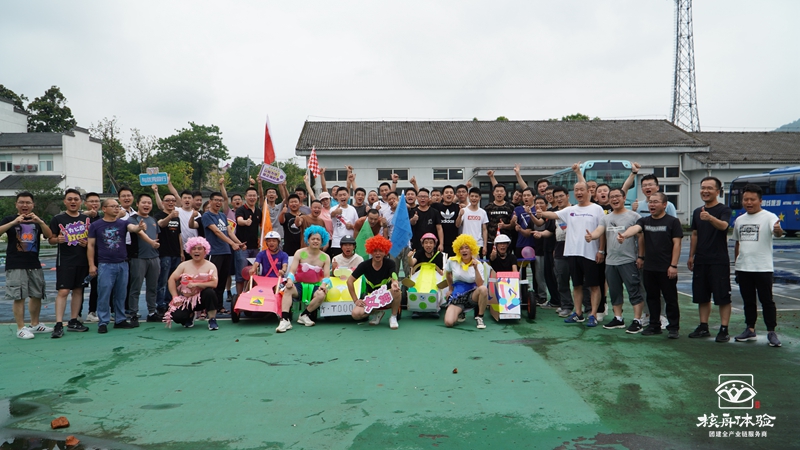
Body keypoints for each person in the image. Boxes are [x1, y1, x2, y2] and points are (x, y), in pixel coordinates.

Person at [536, 182, 605, 327]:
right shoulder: (570, 210)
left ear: (588, 191)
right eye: (576, 190)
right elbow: (553, 214)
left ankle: (593, 314)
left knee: (593, 286)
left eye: (581, 189)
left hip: (590, 253)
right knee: (577, 285)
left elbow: (601, 229)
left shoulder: (597, 209)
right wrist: (541, 213)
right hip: (573, 253)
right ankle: (578, 313)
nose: (579, 192)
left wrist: (600, 249)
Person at [618, 192, 683, 338]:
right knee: (652, 298)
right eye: (650, 202)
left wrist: (673, 265)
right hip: (649, 267)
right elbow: (636, 228)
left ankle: (673, 328)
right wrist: (625, 235)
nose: (651, 205)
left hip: (666, 267)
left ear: (664, 205)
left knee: (670, 298)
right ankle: (654, 325)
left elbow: (677, 244)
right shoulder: (645, 221)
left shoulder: (672, 222)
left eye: (655, 202)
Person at [585, 188, 645, 333]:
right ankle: (618, 318)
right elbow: (599, 231)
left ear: (624, 198)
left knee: (634, 290)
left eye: (617, 196)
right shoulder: (606, 218)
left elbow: (641, 237)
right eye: (611, 197)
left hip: (628, 260)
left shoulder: (634, 216)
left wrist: (640, 256)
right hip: (611, 262)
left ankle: (637, 320)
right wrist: (592, 236)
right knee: (614, 291)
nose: (614, 199)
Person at [731, 184, 783, 347]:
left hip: (763, 268)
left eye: (752, 199)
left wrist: (778, 230)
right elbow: (737, 243)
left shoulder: (769, 217)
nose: (748, 202)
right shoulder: (739, 220)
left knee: (767, 301)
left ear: (760, 201)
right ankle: (750, 329)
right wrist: (737, 265)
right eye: (745, 199)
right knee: (748, 301)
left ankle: (771, 332)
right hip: (743, 268)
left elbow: (777, 232)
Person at [88, 198, 146, 333]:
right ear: (104, 209)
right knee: (104, 293)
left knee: (121, 293)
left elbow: (133, 228)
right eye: (113, 206)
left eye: (117, 206)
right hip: (105, 264)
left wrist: (139, 227)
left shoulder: (123, 223)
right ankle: (103, 321)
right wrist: (91, 264)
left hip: (122, 263)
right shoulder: (96, 225)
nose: (116, 208)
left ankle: (120, 319)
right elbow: (90, 246)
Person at [2, 192, 54, 339]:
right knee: (19, 296)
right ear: (16, 204)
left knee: (37, 294)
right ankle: (20, 328)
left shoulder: (37, 220)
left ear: (33, 205)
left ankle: (35, 324)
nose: (24, 205)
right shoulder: (9, 219)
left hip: (34, 263)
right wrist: (13, 223)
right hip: (15, 263)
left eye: (28, 203)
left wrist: (40, 222)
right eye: (21, 202)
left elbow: (49, 235)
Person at [687, 177, 733, 342]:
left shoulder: (724, 210)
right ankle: (703, 326)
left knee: (722, 296)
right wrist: (691, 256)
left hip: (718, 260)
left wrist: (710, 218)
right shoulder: (697, 212)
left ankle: (724, 329)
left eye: (709, 188)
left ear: (718, 191)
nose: (705, 191)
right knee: (702, 296)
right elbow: (695, 234)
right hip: (701, 260)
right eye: (703, 188)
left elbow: (724, 226)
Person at [48, 189, 91, 336]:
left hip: (83, 261)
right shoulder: (58, 219)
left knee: (78, 290)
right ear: (65, 201)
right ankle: (59, 324)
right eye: (70, 199)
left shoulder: (86, 219)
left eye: (76, 199)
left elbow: (92, 240)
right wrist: (57, 240)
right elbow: (51, 239)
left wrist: (87, 243)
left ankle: (74, 320)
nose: (73, 202)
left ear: (81, 202)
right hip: (65, 261)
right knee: (64, 291)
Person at [163, 237, 220, 330]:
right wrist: (175, 297)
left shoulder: (210, 266)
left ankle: (212, 319)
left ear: (205, 251)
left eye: (199, 248)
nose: (196, 251)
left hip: (203, 298)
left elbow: (214, 283)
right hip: (186, 299)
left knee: (210, 293)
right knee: (177, 317)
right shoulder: (183, 265)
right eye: (193, 249)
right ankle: (190, 315)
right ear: (189, 251)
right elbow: (171, 279)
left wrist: (197, 284)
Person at [203, 191, 246, 313]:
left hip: (226, 251)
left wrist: (239, 243)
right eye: (216, 200)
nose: (218, 203)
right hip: (214, 252)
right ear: (210, 201)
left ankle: (219, 306)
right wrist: (232, 244)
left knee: (222, 280)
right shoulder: (207, 216)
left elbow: (229, 232)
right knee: (212, 281)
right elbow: (217, 232)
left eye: (220, 201)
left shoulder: (222, 215)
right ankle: (209, 307)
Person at [281, 225, 331, 328]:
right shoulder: (299, 253)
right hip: (299, 285)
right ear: (308, 240)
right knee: (287, 289)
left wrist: (323, 285)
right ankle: (284, 320)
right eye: (313, 239)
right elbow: (292, 271)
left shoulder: (325, 257)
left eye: (318, 239)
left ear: (322, 241)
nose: (315, 241)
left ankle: (304, 315)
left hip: (315, 286)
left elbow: (327, 276)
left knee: (321, 294)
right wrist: (289, 281)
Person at [348, 235, 402, 329]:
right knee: (356, 314)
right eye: (375, 251)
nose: (377, 253)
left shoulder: (390, 263)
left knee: (397, 291)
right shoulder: (364, 265)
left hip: (386, 298)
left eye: (380, 250)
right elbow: (349, 281)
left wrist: (395, 283)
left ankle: (393, 317)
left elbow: (393, 275)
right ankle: (377, 313)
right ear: (370, 251)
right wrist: (356, 300)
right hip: (371, 299)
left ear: (385, 252)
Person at [127, 193, 162, 325]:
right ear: (137, 204)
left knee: (153, 287)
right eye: (143, 202)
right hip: (138, 258)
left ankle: (152, 312)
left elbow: (156, 236)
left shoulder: (153, 220)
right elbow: (139, 232)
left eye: (149, 203)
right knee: (136, 288)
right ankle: (133, 314)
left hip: (154, 257)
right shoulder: (133, 219)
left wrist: (154, 245)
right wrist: (150, 241)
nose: (146, 205)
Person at [443, 234, 489, 329]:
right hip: (458, 296)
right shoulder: (452, 261)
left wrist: (476, 268)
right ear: (458, 250)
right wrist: (450, 289)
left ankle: (480, 317)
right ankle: (460, 312)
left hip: (472, 295)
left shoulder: (478, 264)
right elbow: (448, 274)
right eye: (461, 248)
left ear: (472, 250)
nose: (464, 250)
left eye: (467, 248)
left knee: (483, 289)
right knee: (448, 322)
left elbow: (480, 284)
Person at [154, 191, 183, 316]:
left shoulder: (177, 217)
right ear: (163, 202)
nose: (171, 202)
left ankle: (169, 302)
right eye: (168, 200)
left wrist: (181, 252)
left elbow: (179, 235)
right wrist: (170, 216)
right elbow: (161, 224)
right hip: (164, 253)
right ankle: (160, 305)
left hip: (176, 253)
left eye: (173, 200)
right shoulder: (159, 215)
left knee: (174, 280)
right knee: (163, 280)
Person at [407, 232, 445, 318]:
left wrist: (441, 272)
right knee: (415, 286)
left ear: (434, 244)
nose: (428, 245)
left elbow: (440, 270)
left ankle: (434, 308)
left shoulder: (439, 255)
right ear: (422, 244)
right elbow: (412, 264)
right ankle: (416, 308)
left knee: (436, 287)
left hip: (433, 277)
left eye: (431, 243)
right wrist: (409, 258)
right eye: (426, 243)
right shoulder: (419, 253)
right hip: (420, 276)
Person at [234, 187, 263, 297]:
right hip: (243, 247)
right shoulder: (241, 210)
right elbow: (239, 221)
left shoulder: (259, 211)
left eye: (254, 195)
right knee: (241, 274)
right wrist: (246, 222)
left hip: (255, 248)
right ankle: (239, 297)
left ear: (257, 197)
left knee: (253, 274)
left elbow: (262, 226)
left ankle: (250, 296)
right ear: (245, 197)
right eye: (250, 195)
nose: (252, 198)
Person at [83, 191, 103, 323]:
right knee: (79, 287)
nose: (94, 204)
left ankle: (92, 311)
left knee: (97, 286)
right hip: (80, 257)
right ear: (85, 203)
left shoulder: (102, 218)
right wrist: (85, 214)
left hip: (97, 256)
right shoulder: (80, 217)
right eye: (91, 201)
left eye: (97, 201)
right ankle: (77, 314)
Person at [483, 178, 516, 255]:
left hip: (506, 241)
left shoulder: (511, 207)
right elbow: (485, 226)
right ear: (493, 193)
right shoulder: (488, 207)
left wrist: (505, 226)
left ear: (505, 193)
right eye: (497, 191)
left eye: (501, 191)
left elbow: (513, 225)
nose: (499, 193)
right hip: (491, 241)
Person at [456, 187, 488, 257]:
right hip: (465, 244)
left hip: (478, 244)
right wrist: (460, 215)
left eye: (476, 196)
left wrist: (485, 245)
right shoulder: (464, 210)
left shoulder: (483, 212)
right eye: (472, 196)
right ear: (468, 196)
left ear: (480, 198)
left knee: (477, 263)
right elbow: (457, 225)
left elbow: (484, 229)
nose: (474, 198)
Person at [410, 188, 443, 254]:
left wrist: (441, 244)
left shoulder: (435, 212)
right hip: (416, 245)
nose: (423, 198)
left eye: (425, 196)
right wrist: (413, 219)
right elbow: (411, 224)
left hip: (431, 245)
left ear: (429, 198)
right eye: (420, 196)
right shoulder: (412, 211)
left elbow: (439, 228)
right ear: (417, 198)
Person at [431, 185, 461, 257]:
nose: (449, 194)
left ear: (454, 195)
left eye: (451, 193)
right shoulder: (436, 206)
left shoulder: (458, 207)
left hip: (454, 242)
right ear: (442, 195)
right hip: (439, 243)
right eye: (446, 192)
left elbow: (458, 224)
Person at [330, 188, 359, 257]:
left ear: (348, 195)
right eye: (340, 195)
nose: (342, 197)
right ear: (337, 197)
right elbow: (331, 215)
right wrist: (336, 212)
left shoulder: (352, 209)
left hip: (350, 242)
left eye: (344, 195)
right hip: (337, 243)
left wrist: (352, 226)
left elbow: (357, 226)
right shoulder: (333, 209)